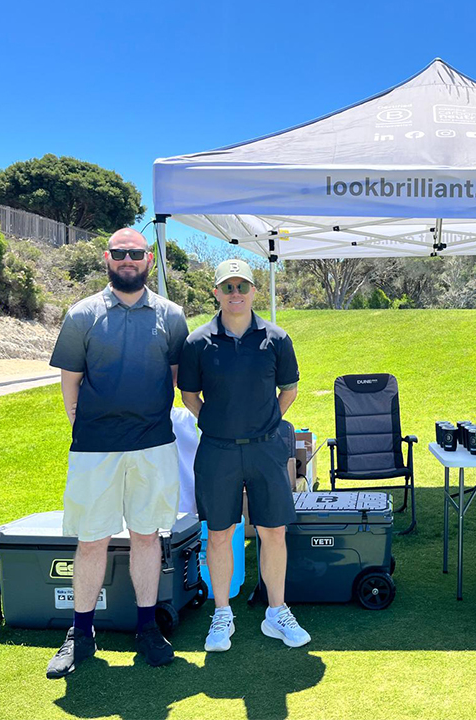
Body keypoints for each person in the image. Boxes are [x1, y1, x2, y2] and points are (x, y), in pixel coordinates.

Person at [46, 228, 190, 678]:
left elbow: (174, 376)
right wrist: (83, 424)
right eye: (120, 253)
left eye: (136, 253)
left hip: (153, 445)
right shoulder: (81, 314)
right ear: (107, 258)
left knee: (147, 536)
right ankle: (80, 634)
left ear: (148, 259)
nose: (128, 260)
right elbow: (71, 379)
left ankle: (148, 629)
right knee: (91, 540)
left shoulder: (172, 315)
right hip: (95, 450)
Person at [178, 259, 310, 652]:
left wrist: (264, 424)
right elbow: (188, 396)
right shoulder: (197, 342)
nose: (236, 293)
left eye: (242, 286)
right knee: (218, 534)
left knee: (273, 532)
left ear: (255, 291)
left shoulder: (277, 338)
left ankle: (276, 611)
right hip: (217, 452)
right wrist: (219, 423)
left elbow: (289, 390)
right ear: (216, 292)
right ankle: (222, 614)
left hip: (266, 450)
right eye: (228, 286)